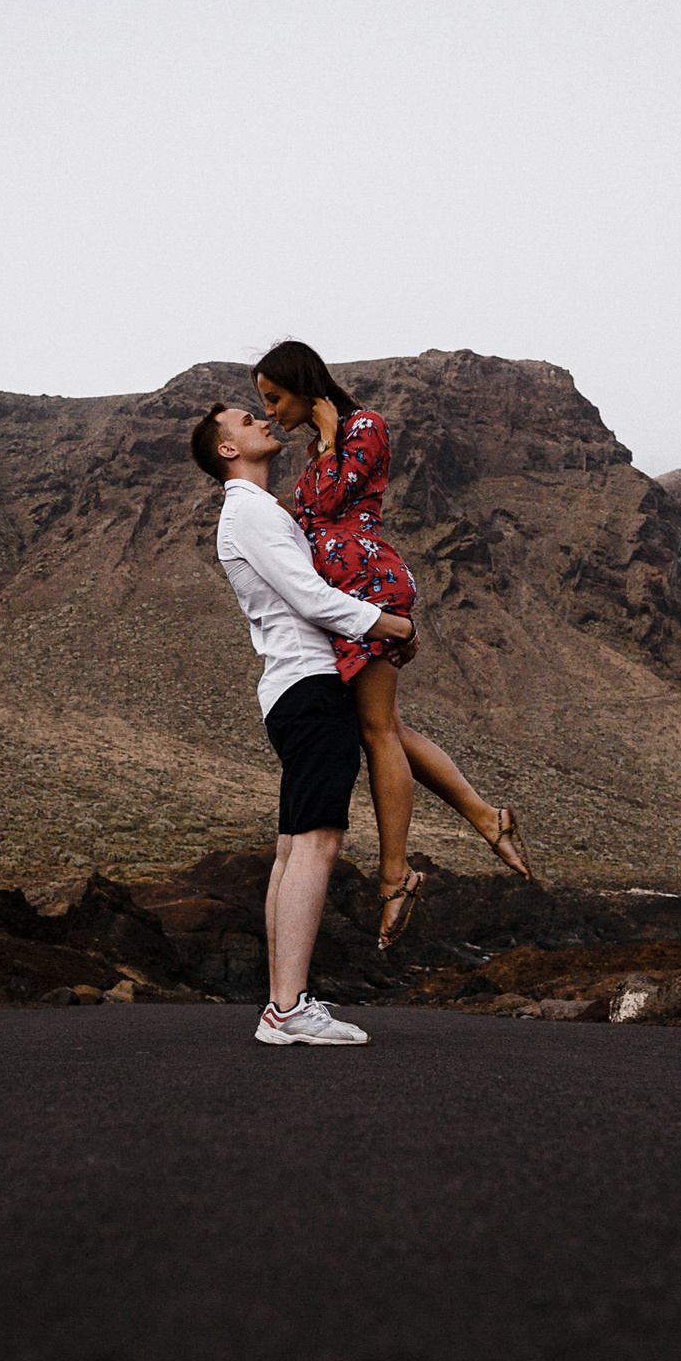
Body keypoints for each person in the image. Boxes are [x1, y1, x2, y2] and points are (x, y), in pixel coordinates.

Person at [250, 340, 531, 951]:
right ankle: (486, 817)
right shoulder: (320, 443)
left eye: (273, 398)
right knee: (382, 727)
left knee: (377, 729)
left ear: (302, 384)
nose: (270, 413)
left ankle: (396, 873)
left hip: (366, 588)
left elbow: (327, 504)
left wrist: (327, 441)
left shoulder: (362, 426)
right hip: (346, 601)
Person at [191, 400, 418, 1046]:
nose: (262, 421)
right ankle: (289, 1008)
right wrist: (389, 624)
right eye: (245, 421)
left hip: (292, 688)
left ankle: (279, 1004)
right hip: (308, 686)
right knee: (317, 842)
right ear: (227, 450)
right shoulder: (251, 513)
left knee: (294, 846)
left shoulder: (255, 513)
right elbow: (309, 597)